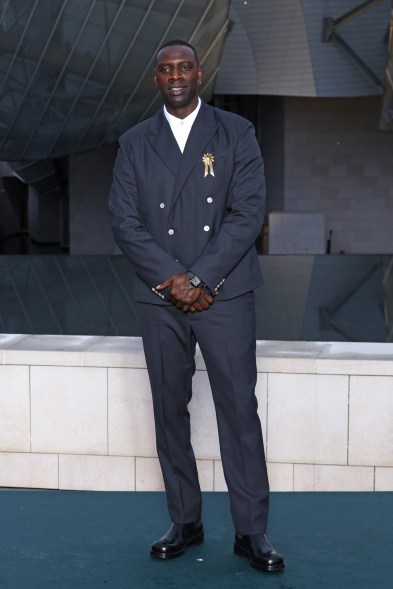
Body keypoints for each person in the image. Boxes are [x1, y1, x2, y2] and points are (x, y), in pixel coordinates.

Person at [108, 39, 284, 573]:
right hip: (161, 295)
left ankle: (251, 532)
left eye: (184, 67)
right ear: (155, 78)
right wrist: (174, 280)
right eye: (166, 69)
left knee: (239, 412)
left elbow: (248, 211)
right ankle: (185, 520)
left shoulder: (236, 132)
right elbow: (125, 221)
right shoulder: (135, 141)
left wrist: (202, 277)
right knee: (169, 411)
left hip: (224, 291)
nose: (176, 75)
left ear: (199, 72)